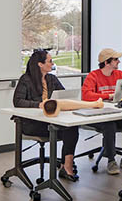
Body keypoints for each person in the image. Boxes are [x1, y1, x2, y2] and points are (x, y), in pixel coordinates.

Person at [13, 50, 79, 181]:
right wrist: (39, 104)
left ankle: (66, 166)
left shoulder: (51, 78)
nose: (52, 63)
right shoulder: (26, 79)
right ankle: (65, 168)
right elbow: (18, 101)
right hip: (32, 123)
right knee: (64, 130)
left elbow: (63, 95)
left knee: (72, 128)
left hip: (50, 120)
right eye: (50, 61)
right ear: (40, 64)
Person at [82, 48, 122, 175]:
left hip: (116, 113)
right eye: (116, 59)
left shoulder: (119, 75)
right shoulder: (93, 76)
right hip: (97, 117)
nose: (119, 62)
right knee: (109, 125)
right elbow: (86, 95)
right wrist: (108, 96)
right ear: (106, 62)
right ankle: (111, 160)